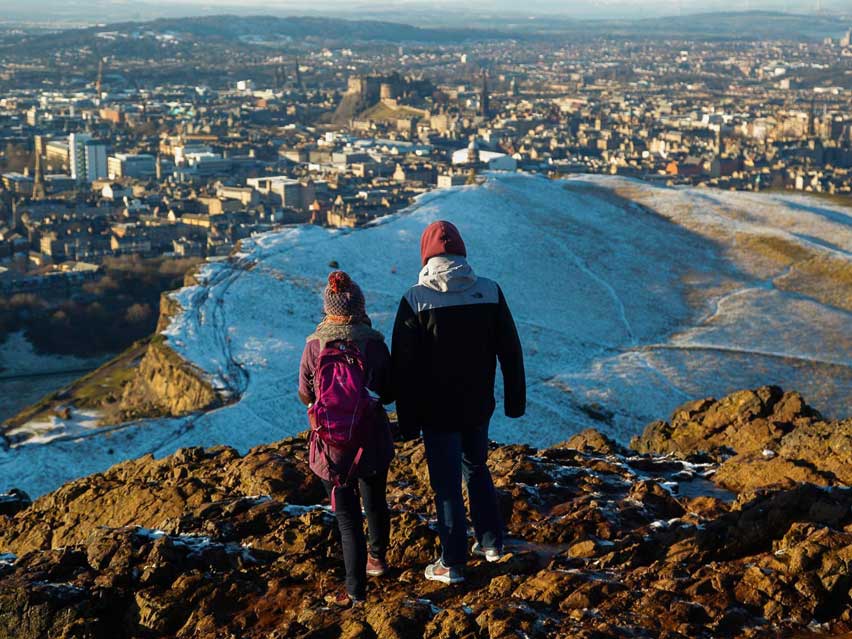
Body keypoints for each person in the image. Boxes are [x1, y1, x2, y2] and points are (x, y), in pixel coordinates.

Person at [391, 220, 526, 584]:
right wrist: (515, 401)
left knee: (446, 484)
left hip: (436, 411)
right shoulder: (490, 292)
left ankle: (452, 561)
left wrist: (407, 421)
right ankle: (491, 543)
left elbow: (403, 367)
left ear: (425, 255)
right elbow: (510, 352)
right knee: (477, 468)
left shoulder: (415, 299)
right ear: (462, 252)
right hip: (478, 404)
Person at [299, 271, 394, 607]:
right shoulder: (374, 343)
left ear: (329, 307)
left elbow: (304, 393)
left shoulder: (314, 345)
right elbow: (390, 391)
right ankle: (378, 559)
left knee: (347, 519)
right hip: (371, 440)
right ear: (360, 306)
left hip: (331, 447)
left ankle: (355, 591)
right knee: (376, 501)